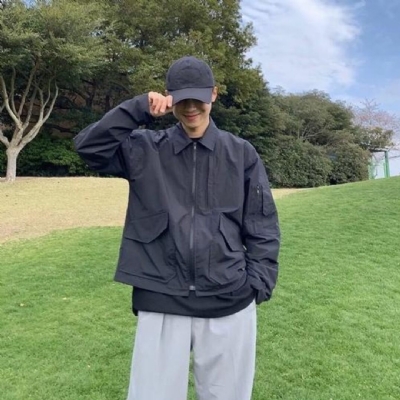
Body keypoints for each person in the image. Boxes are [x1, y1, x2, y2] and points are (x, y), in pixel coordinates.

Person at [74, 56, 280, 400]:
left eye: (198, 98)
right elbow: (89, 147)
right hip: (161, 296)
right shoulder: (145, 148)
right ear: (169, 99)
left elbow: (262, 223)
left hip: (229, 297)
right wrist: (138, 108)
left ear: (214, 94)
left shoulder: (241, 153)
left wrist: (258, 283)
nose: (190, 107)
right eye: (182, 99)